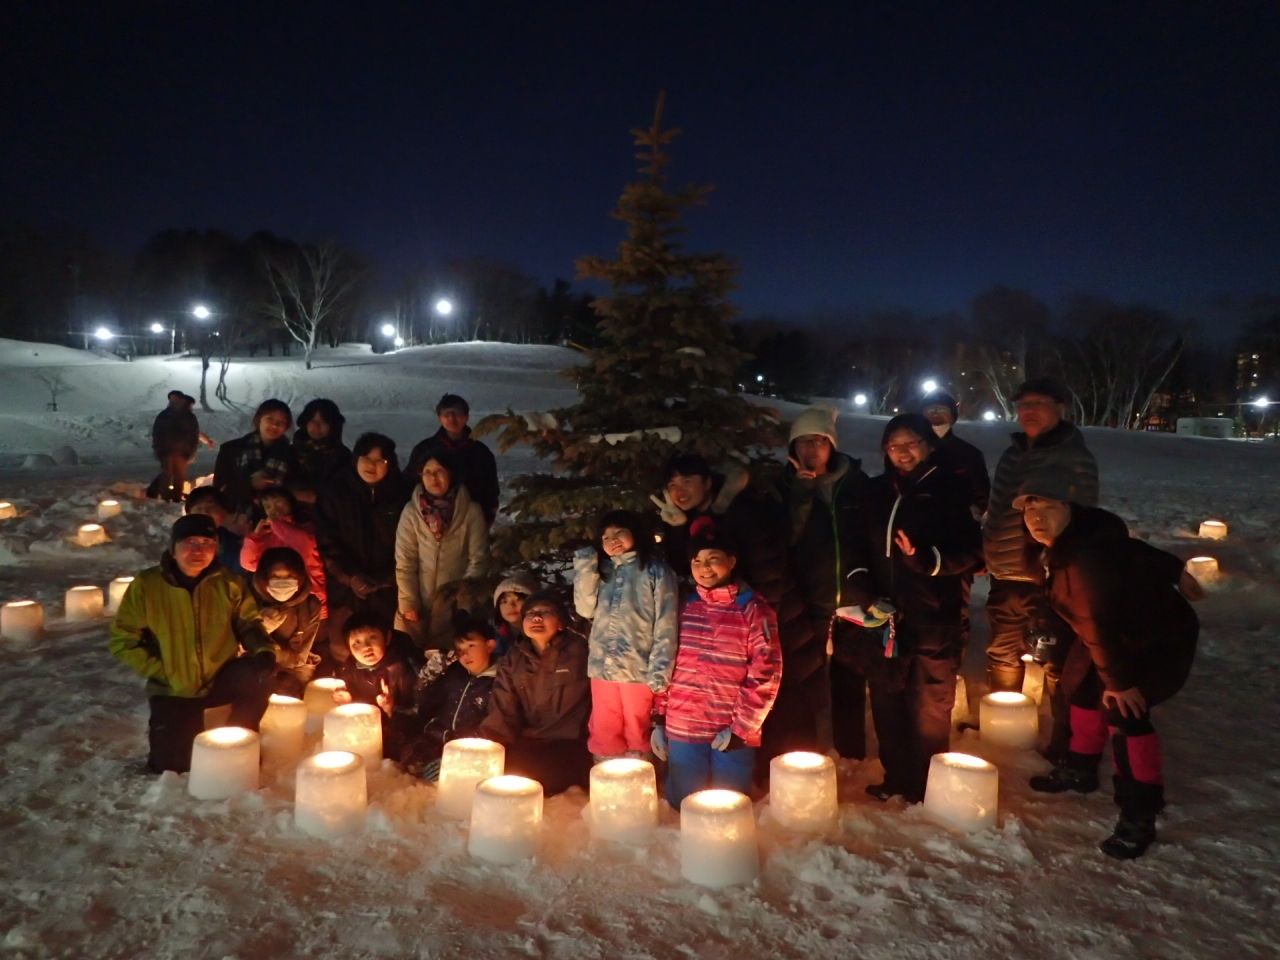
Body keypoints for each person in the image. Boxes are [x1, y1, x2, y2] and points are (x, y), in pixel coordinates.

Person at [1016, 476, 1200, 859]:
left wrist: (1119, 682)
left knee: (1126, 713)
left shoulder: (1083, 560)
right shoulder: (1074, 540)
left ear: (1070, 509)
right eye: (1030, 509)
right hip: (1111, 631)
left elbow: (1096, 622)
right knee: (1081, 686)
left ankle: (1139, 815)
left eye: (1048, 507)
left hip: (1155, 638)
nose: (1036, 517)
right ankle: (1080, 769)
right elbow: (1133, 551)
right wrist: (1176, 570)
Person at [841, 414, 983, 803]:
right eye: (894, 445)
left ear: (928, 445)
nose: (902, 452)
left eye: (911, 443)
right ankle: (896, 776)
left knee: (929, 703)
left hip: (933, 614)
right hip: (884, 616)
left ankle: (927, 785)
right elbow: (854, 547)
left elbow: (971, 550)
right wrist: (866, 592)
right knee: (887, 696)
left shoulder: (950, 489)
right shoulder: (875, 492)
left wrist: (928, 561)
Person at [652, 453, 820, 774]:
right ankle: (764, 775)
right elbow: (688, 565)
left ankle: (793, 782)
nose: (679, 490)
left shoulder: (742, 511)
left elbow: (769, 571)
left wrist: (752, 622)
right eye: (672, 484)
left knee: (783, 701)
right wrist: (677, 529)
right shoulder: (698, 518)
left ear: (707, 482)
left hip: (772, 621)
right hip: (731, 621)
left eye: (687, 481)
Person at [107, 514, 276, 773]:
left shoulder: (229, 583)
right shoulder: (148, 585)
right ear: (173, 549)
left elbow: (248, 623)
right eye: (190, 542)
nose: (198, 550)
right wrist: (163, 671)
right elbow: (123, 640)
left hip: (220, 677)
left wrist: (263, 650)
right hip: (175, 689)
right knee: (174, 767)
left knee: (257, 676)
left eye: (207, 542)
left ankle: (242, 740)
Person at [651, 518, 782, 808]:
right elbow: (665, 661)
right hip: (684, 726)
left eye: (714, 558)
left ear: (732, 561)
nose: (705, 567)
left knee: (731, 807)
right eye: (697, 560)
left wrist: (743, 727)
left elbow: (767, 672)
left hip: (730, 729)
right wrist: (659, 717)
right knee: (684, 806)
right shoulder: (684, 607)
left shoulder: (753, 609)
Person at [984, 378, 1099, 695]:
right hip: (1005, 574)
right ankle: (1004, 731)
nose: (1028, 411)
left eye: (1038, 404)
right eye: (1023, 405)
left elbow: (1085, 521)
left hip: (1047, 578)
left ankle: (1064, 736)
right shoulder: (1013, 453)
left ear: (1060, 407)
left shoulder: (1073, 457)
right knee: (1002, 651)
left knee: (1054, 657)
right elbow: (999, 510)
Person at [775, 402, 870, 760]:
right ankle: (803, 751)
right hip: (808, 598)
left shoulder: (855, 483)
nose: (810, 449)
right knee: (806, 678)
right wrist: (800, 493)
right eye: (802, 442)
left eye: (818, 441)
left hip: (853, 596)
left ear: (832, 444)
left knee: (850, 676)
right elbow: (785, 539)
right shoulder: (783, 487)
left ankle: (851, 750)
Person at [573, 510, 678, 761]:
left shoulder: (655, 571)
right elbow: (585, 608)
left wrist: (661, 669)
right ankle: (606, 778)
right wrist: (586, 566)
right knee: (604, 728)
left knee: (637, 728)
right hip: (603, 667)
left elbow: (667, 621)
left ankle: (640, 776)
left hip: (638, 668)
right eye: (606, 536)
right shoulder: (604, 571)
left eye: (619, 532)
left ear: (635, 533)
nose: (612, 539)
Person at [477, 591, 593, 796]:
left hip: (569, 745)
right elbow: (503, 708)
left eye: (545, 612)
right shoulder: (514, 659)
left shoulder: (581, 653)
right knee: (499, 776)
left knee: (539, 780)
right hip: (529, 742)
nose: (536, 618)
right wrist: (489, 750)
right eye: (530, 613)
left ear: (560, 623)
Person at [313, 433, 411, 666]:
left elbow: (408, 545)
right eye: (366, 457)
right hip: (346, 589)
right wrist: (350, 578)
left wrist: (383, 580)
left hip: (386, 589)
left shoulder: (401, 495)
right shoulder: (335, 492)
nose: (372, 466)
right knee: (343, 646)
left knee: (385, 647)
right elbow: (327, 540)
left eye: (380, 461)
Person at [394, 446, 489, 648]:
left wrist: (462, 603)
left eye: (439, 471)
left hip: (453, 607)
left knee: (447, 660)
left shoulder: (471, 511)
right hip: (417, 603)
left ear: (451, 474)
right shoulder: (412, 512)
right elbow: (405, 561)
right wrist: (409, 602)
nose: (433, 478)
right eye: (428, 472)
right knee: (410, 658)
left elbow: (478, 559)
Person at [408, 615, 501, 778]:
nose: (465, 654)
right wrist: (429, 676)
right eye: (459, 649)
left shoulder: (498, 682)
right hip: (436, 738)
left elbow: (495, 726)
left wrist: (456, 757)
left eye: (471, 646)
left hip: (468, 748)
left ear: (490, 645)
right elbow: (425, 701)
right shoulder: (454, 674)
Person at [331, 610, 419, 762]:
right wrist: (348, 701)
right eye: (356, 643)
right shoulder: (351, 669)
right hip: (368, 734)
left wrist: (392, 709)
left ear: (387, 638)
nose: (366, 647)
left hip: (398, 737)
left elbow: (418, 712)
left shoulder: (401, 669)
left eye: (372, 638)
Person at [406, 394, 501, 526]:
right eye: (446, 413)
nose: (451, 417)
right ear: (439, 418)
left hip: (470, 524)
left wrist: (485, 521)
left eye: (457, 412)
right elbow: (409, 484)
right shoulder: (424, 450)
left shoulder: (481, 452)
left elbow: (491, 492)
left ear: (466, 416)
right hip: (428, 525)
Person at [240, 487, 328, 616]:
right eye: (267, 506)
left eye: (278, 501)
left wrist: (276, 524)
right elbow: (249, 564)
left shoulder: (307, 527)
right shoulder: (266, 535)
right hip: (275, 601)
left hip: (311, 599)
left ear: (290, 500)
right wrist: (255, 537)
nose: (273, 508)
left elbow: (305, 547)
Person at [249, 546, 323, 697]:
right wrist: (260, 627)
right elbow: (235, 649)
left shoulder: (310, 606)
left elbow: (298, 659)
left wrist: (261, 640)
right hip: (251, 668)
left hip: (292, 673)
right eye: (275, 577)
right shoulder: (247, 599)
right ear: (264, 578)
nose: (282, 584)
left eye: (289, 577)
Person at [213, 399, 295, 517]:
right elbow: (219, 490)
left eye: (281, 422)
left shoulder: (290, 454)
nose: (274, 425)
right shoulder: (231, 449)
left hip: (277, 520)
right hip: (236, 519)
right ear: (259, 420)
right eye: (270, 419)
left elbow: (293, 489)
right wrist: (249, 484)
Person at [920, 391, 990, 516]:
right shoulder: (910, 450)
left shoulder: (969, 454)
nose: (936, 413)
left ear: (953, 416)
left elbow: (982, 496)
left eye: (942, 410)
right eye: (930, 410)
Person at [148, 391, 212, 502]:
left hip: (181, 451)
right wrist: (158, 447)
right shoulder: (165, 415)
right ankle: (164, 495)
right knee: (167, 473)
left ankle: (174, 495)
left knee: (178, 474)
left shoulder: (187, 416)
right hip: (167, 450)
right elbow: (157, 432)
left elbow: (194, 433)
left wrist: (193, 448)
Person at [290, 398, 350, 506]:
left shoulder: (342, 456)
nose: (317, 427)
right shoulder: (290, 452)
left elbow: (345, 490)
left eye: (324, 422)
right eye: (313, 421)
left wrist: (318, 497)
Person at [185, 487, 247, 579]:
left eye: (211, 508)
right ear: (189, 514)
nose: (205, 513)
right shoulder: (181, 542)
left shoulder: (235, 545)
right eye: (199, 508)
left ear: (224, 512)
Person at [492, 570, 540, 657]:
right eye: (504, 601)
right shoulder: (495, 640)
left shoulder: (542, 632)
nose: (511, 606)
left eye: (518, 599)